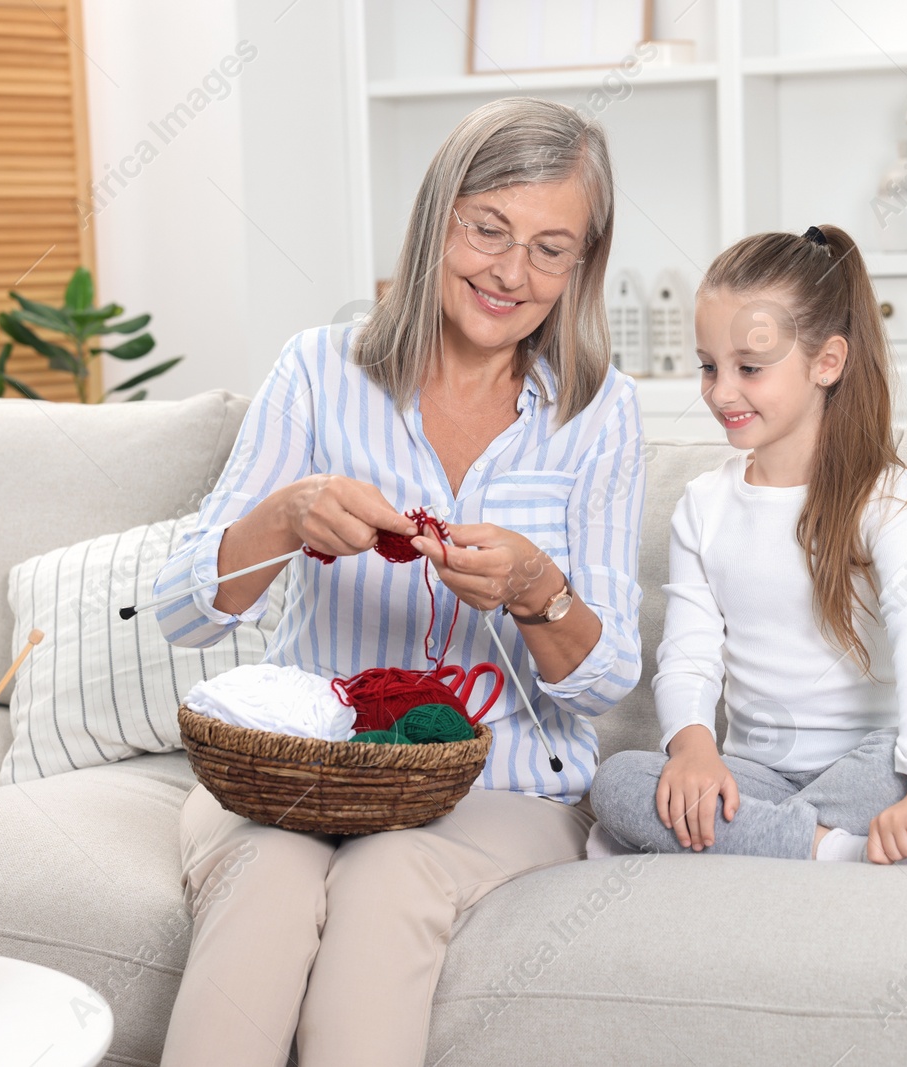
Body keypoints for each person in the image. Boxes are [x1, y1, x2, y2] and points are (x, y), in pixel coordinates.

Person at [151, 97, 644, 1067]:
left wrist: (539, 588)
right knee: (268, 882)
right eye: (488, 229)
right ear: (438, 219)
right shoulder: (317, 371)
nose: (511, 272)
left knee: (388, 873)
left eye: (551, 248)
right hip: (301, 770)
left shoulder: (601, 413)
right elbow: (181, 611)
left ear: (583, 264)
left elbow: (605, 676)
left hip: (501, 785)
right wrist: (283, 517)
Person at [588, 224, 907, 866]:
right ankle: (841, 851)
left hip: (868, 764)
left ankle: (748, 844)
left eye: (749, 368)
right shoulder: (702, 505)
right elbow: (689, 656)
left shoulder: (881, 496)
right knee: (619, 784)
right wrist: (692, 751)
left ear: (827, 362)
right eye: (709, 366)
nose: (721, 392)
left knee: (899, 762)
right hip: (757, 775)